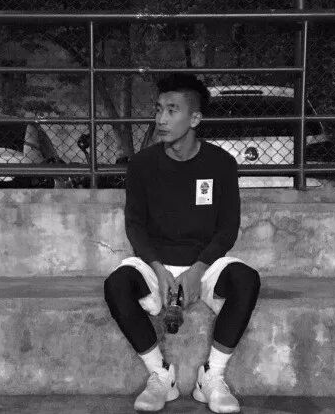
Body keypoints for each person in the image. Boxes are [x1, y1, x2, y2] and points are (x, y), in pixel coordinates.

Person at [104, 74, 261, 413]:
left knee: (246, 279)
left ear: (194, 118)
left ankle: (211, 377)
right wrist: (158, 270)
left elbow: (227, 230)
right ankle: (162, 376)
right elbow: (135, 226)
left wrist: (198, 271)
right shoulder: (142, 165)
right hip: (155, 263)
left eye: (172, 110)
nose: (161, 119)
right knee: (116, 284)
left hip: (204, 265)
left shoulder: (221, 163)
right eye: (158, 109)